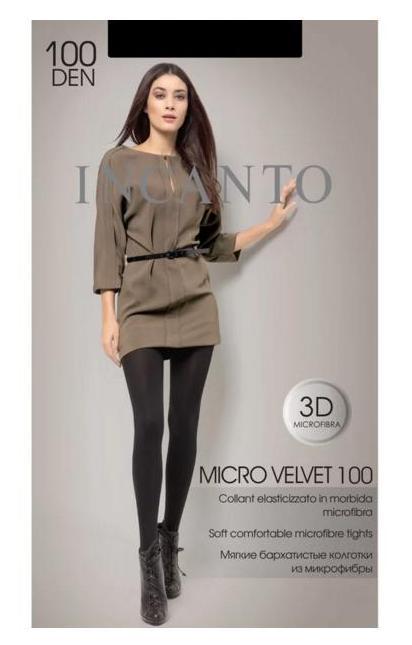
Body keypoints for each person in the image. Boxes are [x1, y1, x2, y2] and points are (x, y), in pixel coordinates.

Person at [93, 62, 297, 626]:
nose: (169, 103)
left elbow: (213, 246)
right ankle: (146, 560)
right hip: (139, 305)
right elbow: (107, 243)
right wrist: (108, 316)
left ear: (188, 107)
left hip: (195, 307)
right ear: (144, 103)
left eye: (179, 96)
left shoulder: (197, 169)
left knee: (185, 428)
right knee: (149, 426)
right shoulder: (116, 163)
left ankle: (169, 539)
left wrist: (272, 223)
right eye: (160, 94)